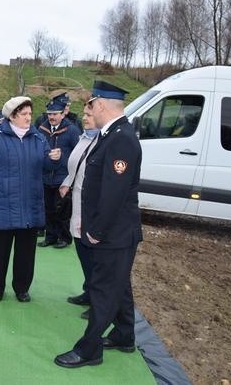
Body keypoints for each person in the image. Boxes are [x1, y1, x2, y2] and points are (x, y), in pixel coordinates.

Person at [54, 80, 143, 368]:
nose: (88, 108)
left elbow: (113, 194)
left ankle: (89, 349)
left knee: (104, 290)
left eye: (91, 103)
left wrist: (96, 231)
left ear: (101, 104)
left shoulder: (120, 138)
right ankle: (125, 335)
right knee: (119, 286)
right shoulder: (111, 134)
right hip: (114, 233)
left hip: (113, 234)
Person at [0, 96, 57, 302]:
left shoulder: (38, 138)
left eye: (30, 114)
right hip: (1, 206)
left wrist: (53, 159)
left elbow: (46, 167)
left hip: (30, 206)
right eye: (24, 114)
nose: (29, 118)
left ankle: (22, 289)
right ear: (12, 116)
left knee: (26, 254)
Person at [58, 111, 100, 317]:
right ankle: (88, 291)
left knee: (92, 255)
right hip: (76, 201)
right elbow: (77, 167)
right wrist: (67, 181)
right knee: (82, 250)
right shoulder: (84, 138)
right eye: (84, 114)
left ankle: (97, 301)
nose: (85, 117)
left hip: (89, 207)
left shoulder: (102, 142)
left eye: (89, 115)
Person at [37, 96, 81, 248]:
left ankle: (64, 237)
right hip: (45, 178)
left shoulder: (72, 131)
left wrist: (62, 157)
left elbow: (78, 156)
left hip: (62, 178)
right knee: (48, 209)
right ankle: (50, 237)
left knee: (62, 210)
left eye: (55, 114)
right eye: (49, 114)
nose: (51, 117)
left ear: (63, 114)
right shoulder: (41, 129)